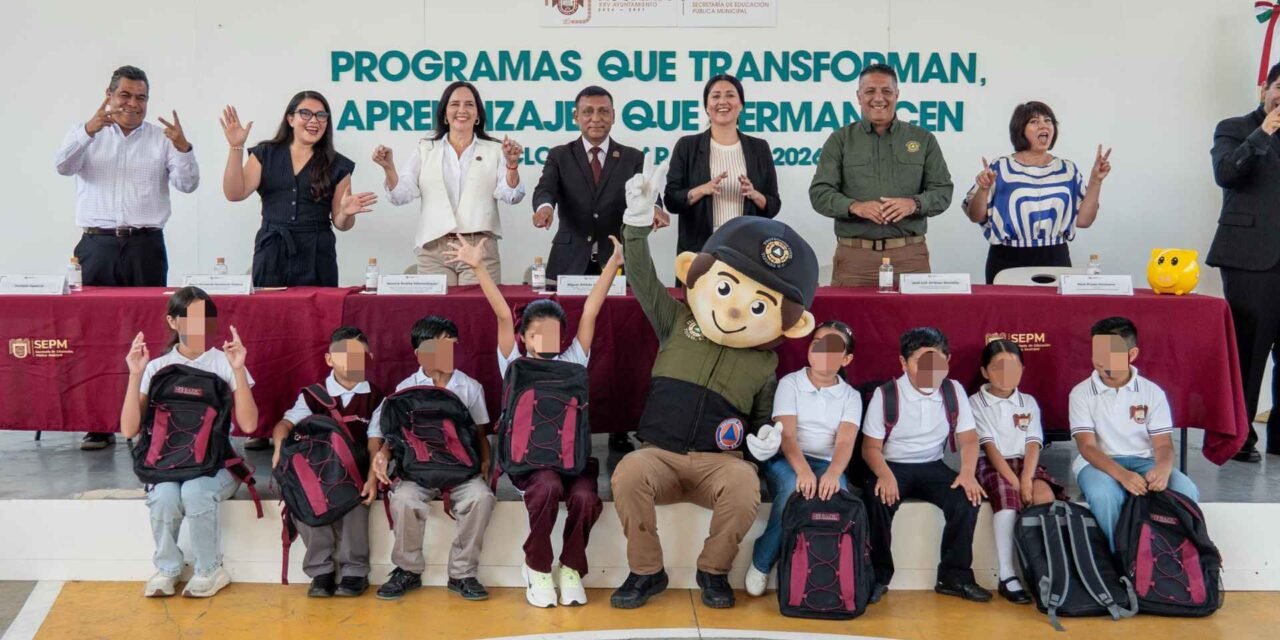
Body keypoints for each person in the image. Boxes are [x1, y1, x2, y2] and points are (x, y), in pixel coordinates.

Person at [610, 162, 818, 610]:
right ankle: (646, 571)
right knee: (628, 473)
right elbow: (642, 277)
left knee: (745, 485)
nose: (739, 310)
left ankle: (714, 571)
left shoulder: (765, 362)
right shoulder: (677, 320)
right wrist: (637, 224)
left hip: (718, 463)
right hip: (658, 454)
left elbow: (763, 422)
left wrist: (765, 442)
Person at [448, 232, 622, 607]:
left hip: (572, 457)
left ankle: (571, 567)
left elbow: (591, 309)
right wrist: (478, 266)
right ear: (524, 337)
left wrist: (613, 263)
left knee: (585, 498)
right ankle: (538, 567)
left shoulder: (574, 361)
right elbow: (499, 311)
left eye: (554, 332)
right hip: (529, 460)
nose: (546, 337)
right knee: (546, 489)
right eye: (536, 331)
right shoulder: (513, 362)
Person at [56, 65, 199, 451]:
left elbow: (188, 184)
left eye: (141, 98)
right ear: (109, 94)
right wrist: (90, 129)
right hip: (96, 246)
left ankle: (148, 418)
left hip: (145, 247)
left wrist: (184, 146)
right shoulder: (86, 134)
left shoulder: (161, 138)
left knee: (150, 333)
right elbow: (62, 165)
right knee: (94, 335)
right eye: (125, 95)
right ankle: (98, 423)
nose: (133, 104)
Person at [530, 84, 666, 461]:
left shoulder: (633, 157)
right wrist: (544, 208)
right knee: (568, 341)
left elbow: (647, 194)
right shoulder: (560, 155)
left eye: (603, 111)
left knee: (618, 345)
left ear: (613, 115)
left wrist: (654, 208)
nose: (595, 118)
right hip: (569, 263)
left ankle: (620, 424)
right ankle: (564, 415)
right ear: (576, 116)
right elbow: (546, 189)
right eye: (587, 111)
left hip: (618, 260)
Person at [119, 286, 257, 598]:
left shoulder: (225, 362)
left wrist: (237, 370)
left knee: (195, 491)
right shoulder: (155, 367)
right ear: (173, 321)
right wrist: (134, 375)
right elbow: (129, 429)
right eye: (191, 317)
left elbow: (249, 424)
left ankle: (210, 569)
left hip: (217, 465)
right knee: (166, 497)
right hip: (168, 466)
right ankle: (167, 568)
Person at [366, 316, 496, 601]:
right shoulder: (405, 388)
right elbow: (390, 434)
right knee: (403, 499)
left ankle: (462, 573)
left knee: (481, 497)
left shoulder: (469, 387)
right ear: (419, 353)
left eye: (451, 346)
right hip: (418, 469)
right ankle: (407, 569)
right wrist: (382, 455)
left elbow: (480, 432)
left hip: (461, 469)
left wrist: (486, 463)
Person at [861, 327, 990, 604]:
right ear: (904, 363)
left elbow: (968, 439)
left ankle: (954, 577)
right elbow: (870, 447)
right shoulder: (886, 395)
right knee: (876, 499)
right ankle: (878, 576)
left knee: (967, 499)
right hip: (893, 464)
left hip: (933, 464)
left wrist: (967, 473)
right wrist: (884, 474)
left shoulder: (953, 390)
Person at [809, 64, 954, 287]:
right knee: (848, 321)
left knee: (916, 321)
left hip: (910, 258)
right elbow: (819, 193)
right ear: (858, 96)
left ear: (897, 95)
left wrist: (913, 204)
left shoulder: (923, 139)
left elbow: (943, 191)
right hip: (855, 260)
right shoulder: (840, 139)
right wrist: (854, 206)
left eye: (886, 91)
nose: (878, 98)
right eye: (870, 91)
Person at [744, 320, 859, 598]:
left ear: (846, 358)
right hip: (787, 458)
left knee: (838, 494)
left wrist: (832, 473)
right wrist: (804, 471)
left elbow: (845, 441)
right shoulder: (790, 383)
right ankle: (763, 559)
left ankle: (821, 566)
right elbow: (788, 437)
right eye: (818, 344)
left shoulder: (851, 396)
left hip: (826, 462)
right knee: (794, 489)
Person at [220, 91, 377, 288]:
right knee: (269, 314)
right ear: (290, 119)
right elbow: (234, 193)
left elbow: (342, 224)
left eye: (321, 116)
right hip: (271, 249)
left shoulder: (338, 164)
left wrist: (345, 213)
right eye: (306, 113)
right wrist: (236, 147)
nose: (314, 121)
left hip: (317, 252)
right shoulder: (265, 154)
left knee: (318, 316)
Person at [269, 326, 382, 598]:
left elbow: (374, 440)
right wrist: (279, 448)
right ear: (329, 359)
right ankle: (321, 571)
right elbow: (285, 424)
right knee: (304, 497)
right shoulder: (313, 395)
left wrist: (371, 478)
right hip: (315, 467)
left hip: (354, 470)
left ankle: (355, 570)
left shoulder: (377, 397)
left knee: (356, 502)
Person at [373, 81, 525, 284]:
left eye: (469, 104)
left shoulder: (495, 150)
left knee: (478, 314)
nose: (462, 110)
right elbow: (401, 195)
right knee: (436, 314)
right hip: (434, 250)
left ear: (478, 114)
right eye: (454, 104)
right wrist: (389, 168)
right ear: (444, 113)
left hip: (478, 248)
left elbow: (511, 195)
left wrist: (512, 166)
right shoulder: (426, 148)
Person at [1070, 317, 1200, 547]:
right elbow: (1087, 447)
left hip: (1143, 460)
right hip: (1098, 463)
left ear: (1132, 354)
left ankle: (1175, 560)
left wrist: (1162, 468)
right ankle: (1122, 559)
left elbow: (1163, 444)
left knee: (1185, 489)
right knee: (1105, 495)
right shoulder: (1081, 393)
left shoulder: (1152, 392)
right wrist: (1122, 475)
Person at [1208, 62, 1280, 462]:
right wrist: (1264, 131)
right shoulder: (1235, 127)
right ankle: (1239, 439)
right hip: (1251, 258)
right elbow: (1226, 172)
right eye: (1279, 87)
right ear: (1264, 89)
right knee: (1249, 353)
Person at [963, 102, 1112, 284]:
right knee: (1007, 312)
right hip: (1008, 257)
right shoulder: (1000, 167)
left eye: (1048, 121)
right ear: (1020, 130)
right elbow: (975, 215)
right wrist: (983, 188)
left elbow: (1084, 220)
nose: (1044, 125)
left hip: (1055, 256)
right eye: (1034, 121)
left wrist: (1096, 180)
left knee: (1055, 312)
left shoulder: (1067, 169)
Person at [970, 339, 1065, 604]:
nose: (1005, 374)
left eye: (1012, 368)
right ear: (985, 372)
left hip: (1026, 464)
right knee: (1009, 503)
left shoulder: (1028, 401)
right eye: (997, 367)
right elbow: (989, 448)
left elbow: (1033, 442)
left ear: (1022, 369)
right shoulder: (976, 403)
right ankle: (1007, 574)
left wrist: (1027, 479)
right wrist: (1015, 482)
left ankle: (1048, 568)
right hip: (994, 463)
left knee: (1044, 496)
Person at [663, 74, 780, 256]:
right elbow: (671, 200)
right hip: (699, 249)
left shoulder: (759, 148)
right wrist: (702, 190)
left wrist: (755, 195)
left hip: (747, 247)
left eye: (730, 95)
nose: (722, 101)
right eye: (716, 96)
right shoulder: (687, 146)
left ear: (741, 104)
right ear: (707, 106)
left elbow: (773, 204)